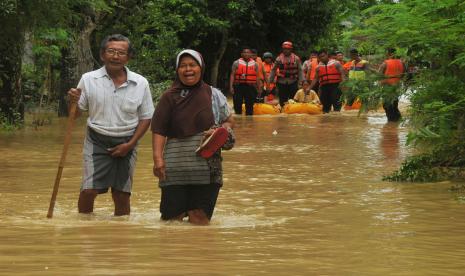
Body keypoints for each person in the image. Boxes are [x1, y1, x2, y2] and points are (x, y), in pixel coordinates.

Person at [67, 34, 154, 216]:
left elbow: (146, 118)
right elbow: (75, 115)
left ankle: (120, 237)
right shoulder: (89, 79)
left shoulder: (140, 83)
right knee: (88, 190)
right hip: (96, 140)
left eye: (121, 53)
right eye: (111, 51)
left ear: (129, 57)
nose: (115, 56)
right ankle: (84, 229)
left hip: (128, 141)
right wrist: (72, 102)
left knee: (121, 194)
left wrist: (130, 145)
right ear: (102, 55)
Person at [152, 49, 235, 225]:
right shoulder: (168, 97)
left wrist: (220, 130)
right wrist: (158, 159)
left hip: (207, 168)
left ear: (201, 67)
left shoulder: (214, 94)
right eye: (183, 66)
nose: (188, 69)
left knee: (200, 219)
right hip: (175, 167)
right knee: (172, 221)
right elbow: (159, 130)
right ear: (177, 70)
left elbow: (229, 120)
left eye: (192, 65)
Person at [269, 41, 304, 106]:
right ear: (282, 49)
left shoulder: (296, 58)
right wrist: (270, 81)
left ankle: (293, 112)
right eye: (284, 49)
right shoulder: (279, 59)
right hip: (282, 81)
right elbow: (273, 70)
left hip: (293, 81)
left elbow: (300, 70)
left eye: (288, 49)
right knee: (282, 99)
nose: (286, 50)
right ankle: (283, 111)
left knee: (293, 99)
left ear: (291, 49)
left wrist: (302, 81)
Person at [229, 47, 261, 115]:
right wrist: (231, 86)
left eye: (248, 52)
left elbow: (258, 77)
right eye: (244, 52)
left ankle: (249, 123)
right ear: (241, 54)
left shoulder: (255, 64)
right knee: (237, 105)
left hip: (250, 87)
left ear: (251, 54)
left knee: (249, 108)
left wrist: (259, 88)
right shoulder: (236, 63)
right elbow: (232, 75)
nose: (246, 54)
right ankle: (238, 121)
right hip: (238, 86)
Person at [379, 48, 406, 122]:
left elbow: (379, 75)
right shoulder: (402, 62)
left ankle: (391, 122)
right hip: (397, 86)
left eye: (387, 53)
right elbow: (404, 74)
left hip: (387, 86)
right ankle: (397, 121)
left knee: (387, 105)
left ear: (389, 54)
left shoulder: (385, 63)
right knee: (394, 104)